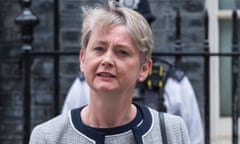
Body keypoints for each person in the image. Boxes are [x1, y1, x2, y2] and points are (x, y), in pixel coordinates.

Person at [29, 0, 190, 143]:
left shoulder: (171, 133)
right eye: (99, 49)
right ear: (83, 60)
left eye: (122, 52)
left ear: (144, 68)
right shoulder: (48, 137)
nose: (107, 60)